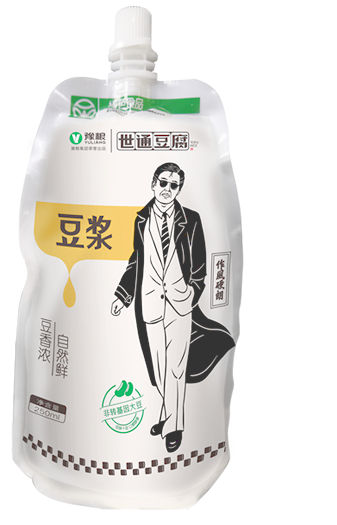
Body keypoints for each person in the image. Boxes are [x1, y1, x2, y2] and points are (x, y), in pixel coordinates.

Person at [111, 162, 234, 453]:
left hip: (180, 304)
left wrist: (193, 293)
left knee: (176, 368)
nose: (167, 189)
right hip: (150, 303)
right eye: (163, 182)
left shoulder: (191, 220)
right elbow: (137, 260)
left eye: (173, 185)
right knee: (158, 369)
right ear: (153, 184)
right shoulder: (141, 219)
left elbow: (200, 263)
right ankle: (167, 414)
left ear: (179, 190)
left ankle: (174, 427)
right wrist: (123, 295)